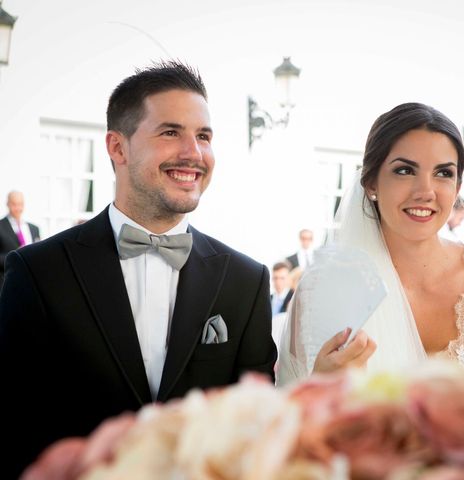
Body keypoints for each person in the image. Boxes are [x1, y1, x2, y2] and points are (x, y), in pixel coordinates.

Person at [0, 61, 276, 477]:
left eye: (203, 136)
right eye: (171, 132)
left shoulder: (245, 280)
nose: (194, 153)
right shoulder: (37, 272)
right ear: (117, 147)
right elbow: (13, 430)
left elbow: (255, 431)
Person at [277, 102, 464, 384]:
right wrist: (320, 385)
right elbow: (290, 414)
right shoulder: (323, 289)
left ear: (457, 187)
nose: (426, 191)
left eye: (444, 173)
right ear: (371, 183)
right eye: (405, 171)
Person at [0, 190, 41, 290]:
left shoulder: (34, 229)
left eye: (20, 204)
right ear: (7, 204)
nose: (18, 208)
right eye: (14, 204)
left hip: (31, 284)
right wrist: (17, 255)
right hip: (6, 285)